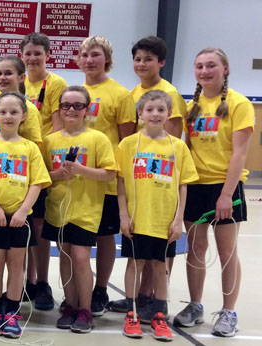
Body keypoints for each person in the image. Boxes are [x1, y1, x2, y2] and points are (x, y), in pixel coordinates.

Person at [174, 48, 253, 338]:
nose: (205, 71)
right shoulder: (190, 106)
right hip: (195, 185)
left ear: (225, 69)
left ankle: (228, 311)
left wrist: (226, 195)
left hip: (225, 186)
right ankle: (195, 306)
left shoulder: (239, 104)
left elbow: (240, 154)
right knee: (195, 250)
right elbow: (186, 149)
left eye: (211, 66)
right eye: (199, 66)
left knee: (226, 252)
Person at [109, 35, 189, 315]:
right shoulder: (132, 94)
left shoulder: (170, 93)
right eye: (138, 59)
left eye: (148, 59)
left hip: (162, 185)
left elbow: (173, 141)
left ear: (161, 63)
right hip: (138, 188)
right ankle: (140, 297)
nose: (142, 64)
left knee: (159, 254)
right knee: (138, 254)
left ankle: (154, 299)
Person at [116, 90, 198, 341]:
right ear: (140, 113)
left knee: (160, 267)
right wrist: (123, 215)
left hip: (164, 220)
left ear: (169, 114)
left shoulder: (178, 146)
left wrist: (178, 220)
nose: (155, 114)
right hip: (138, 218)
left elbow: (183, 185)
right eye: (149, 109)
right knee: (135, 264)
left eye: (160, 110)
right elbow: (120, 182)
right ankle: (132, 313)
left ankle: (159, 315)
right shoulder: (128, 145)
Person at [0, 92, 51, 338]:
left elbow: (37, 183)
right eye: (3, 112)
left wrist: (22, 211)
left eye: (14, 112)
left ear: (24, 116)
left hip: (20, 218)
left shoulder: (30, 148)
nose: (8, 116)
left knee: (17, 266)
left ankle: (12, 313)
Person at [41, 86, 116, 333]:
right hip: (58, 208)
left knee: (81, 258)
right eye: (66, 105)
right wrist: (58, 174)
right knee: (65, 256)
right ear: (59, 109)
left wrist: (82, 170)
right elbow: (41, 177)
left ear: (87, 109)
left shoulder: (97, 139)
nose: (71, 110)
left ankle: (85, 309)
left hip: (87, 209)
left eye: (77, 105)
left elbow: (109, 173)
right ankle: (70, 305)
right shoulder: (50, 141)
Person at [78, 36, 136, 315]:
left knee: (104, 237)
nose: (89, 60)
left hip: (107, 180)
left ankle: (100, 289)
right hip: (78, 180)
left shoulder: (120, 94)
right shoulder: (74, 92)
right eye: (85, 55)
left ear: (107, 60)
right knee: (76, 238)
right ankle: (76, 290)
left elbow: (127, 143)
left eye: (95, 55)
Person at [20, 32, 69, 311]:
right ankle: (25, 280)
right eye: (28, 53)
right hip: (19, 162)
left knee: (39, 225)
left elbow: (59, 125)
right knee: (24, 224)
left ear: (47, 55)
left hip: (43, 161)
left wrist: (48, 166)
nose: (33, 58)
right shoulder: (19, 82)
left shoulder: (56, 83)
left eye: (38, 53)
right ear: (22, 55)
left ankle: (42, 282)